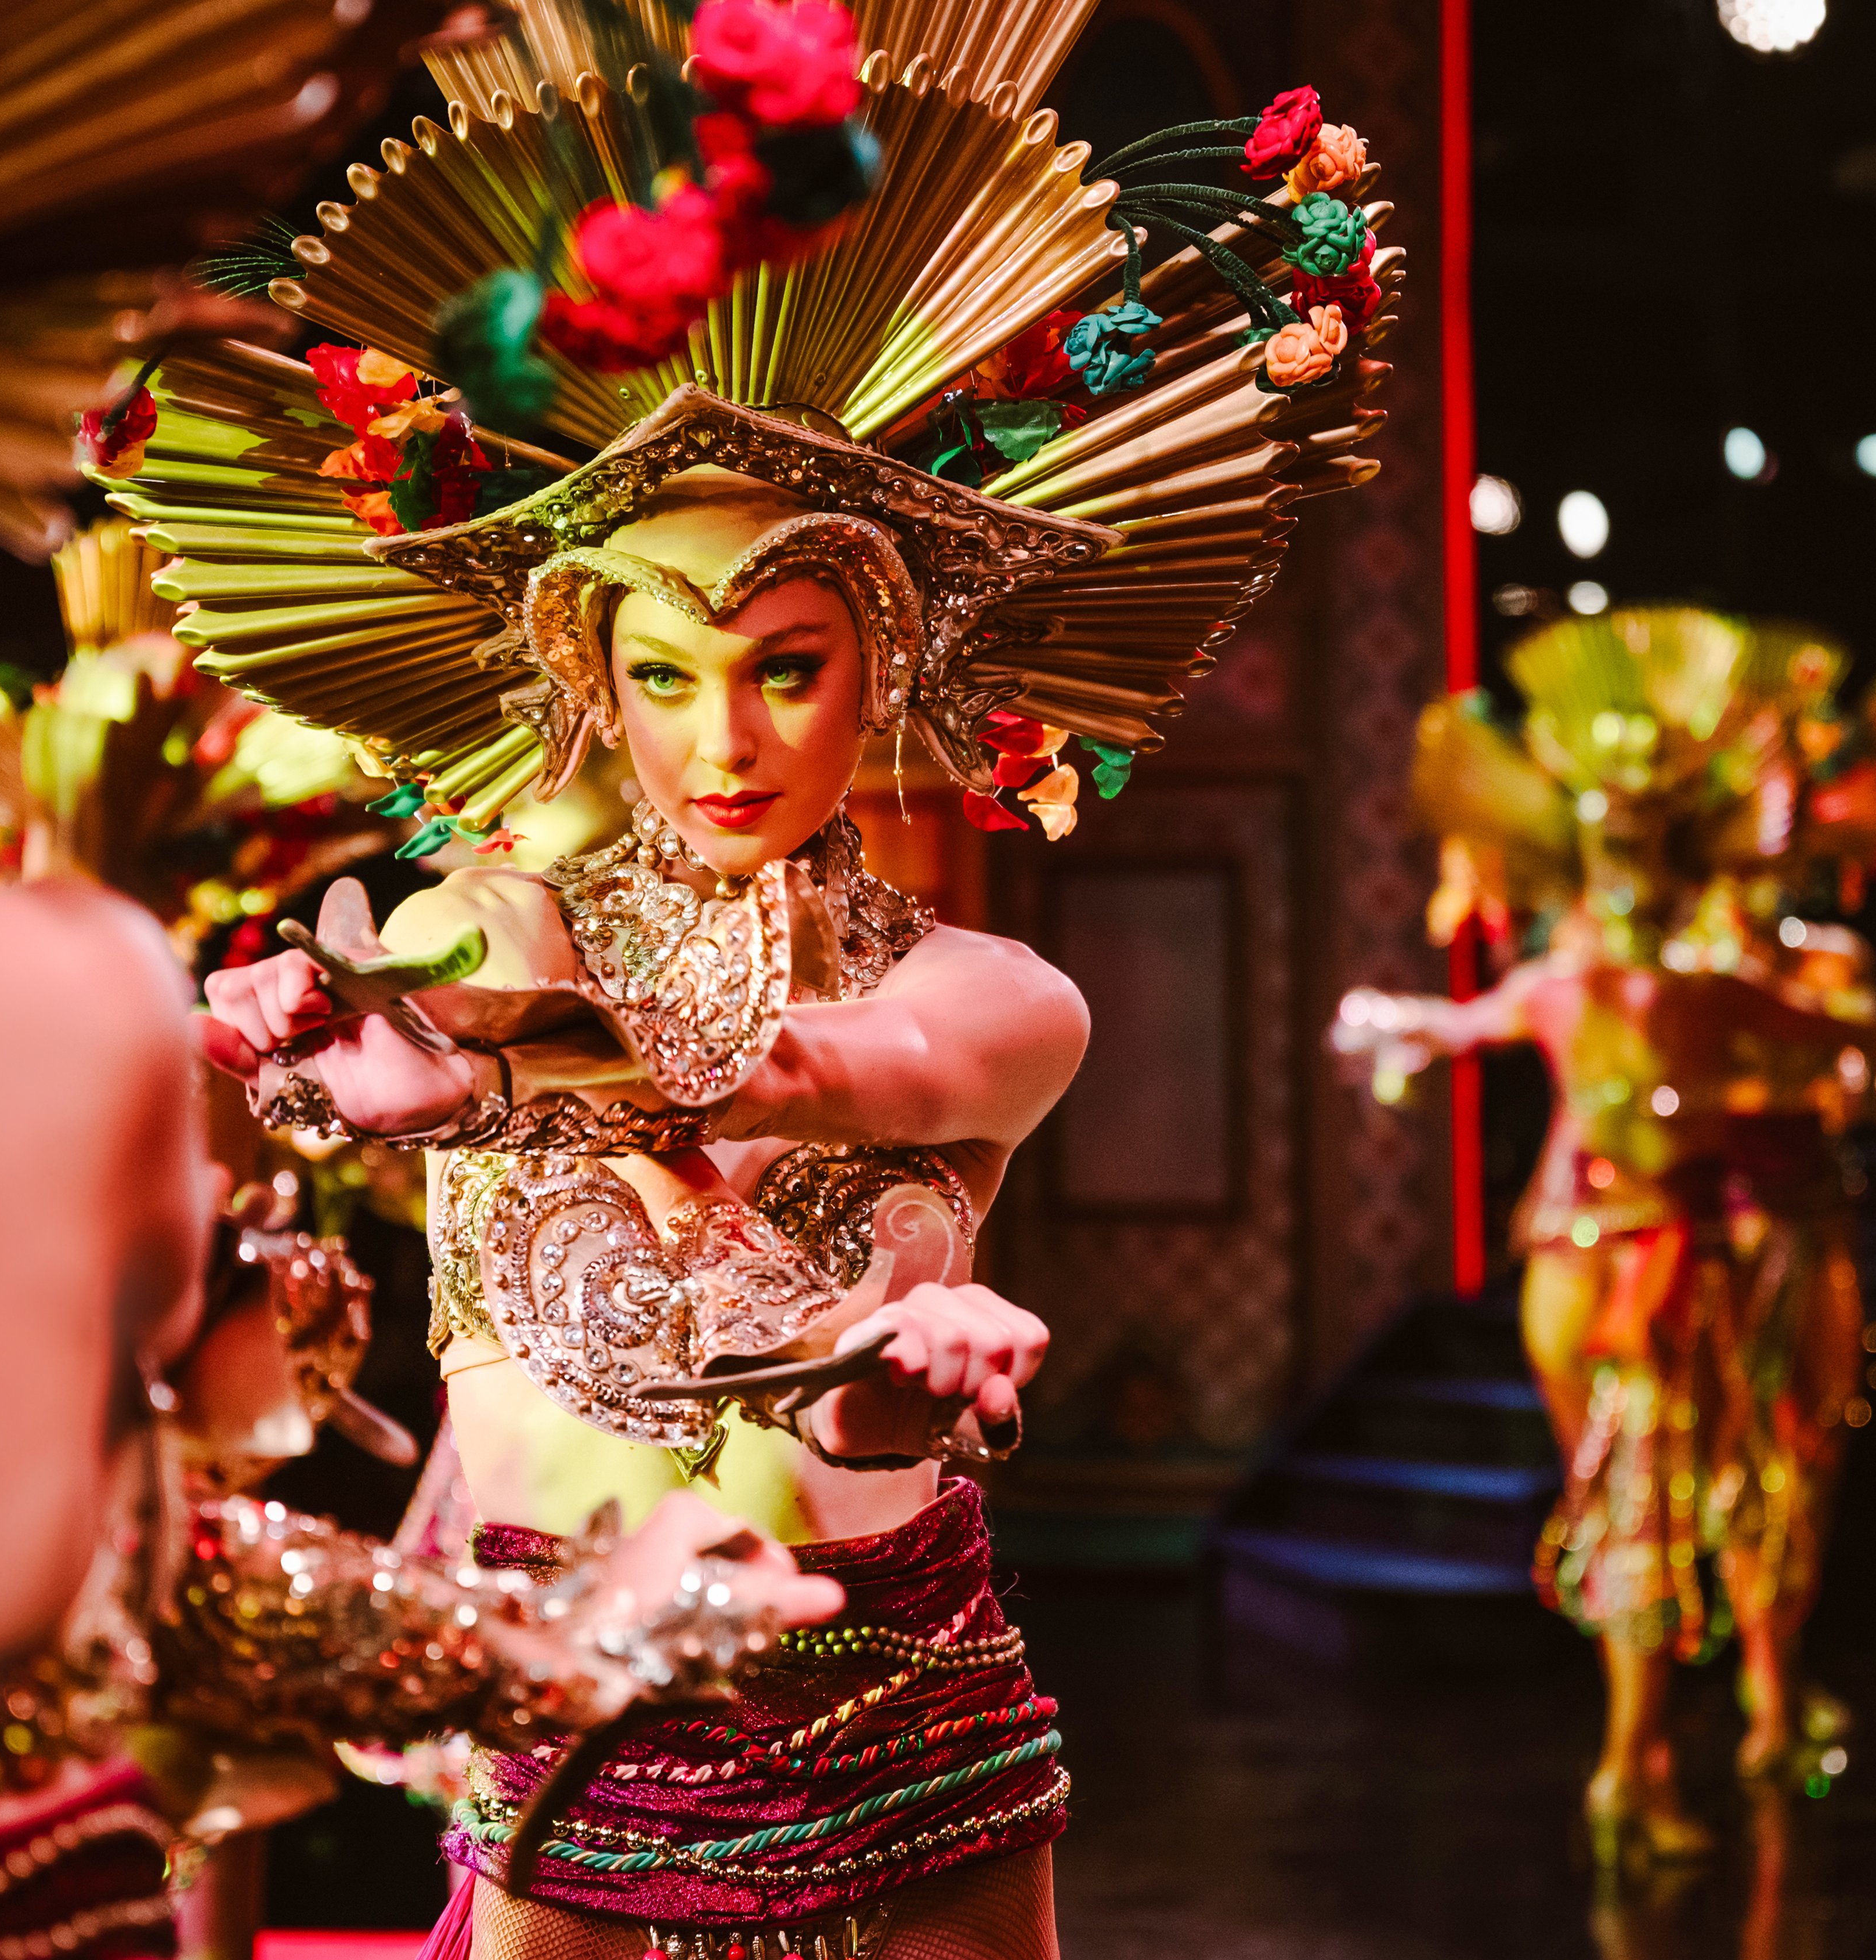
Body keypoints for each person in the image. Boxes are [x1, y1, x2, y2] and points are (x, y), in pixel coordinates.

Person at [0, 7, 847, 1954]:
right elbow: (123, 1575)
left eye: (781, 660)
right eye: (664, 662)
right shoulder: (28, 1007)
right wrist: (560, 1637)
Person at [143, 7, 1401, 1952]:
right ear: (589, 679)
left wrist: (492, 1080)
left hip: (907, 1722)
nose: (719, 735)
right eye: (662, 671)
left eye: (782, 664)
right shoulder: (488, 929)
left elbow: (818, 1067)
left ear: (876, 666)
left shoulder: (999, 997)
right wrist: (300, 1041)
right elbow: (428, 1001)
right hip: (567, 1716)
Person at [1330, 609, 1876, 1864]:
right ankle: (1634, 1763)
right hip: (1663, 1254)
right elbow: (1872, 1054)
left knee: (1670, 1496)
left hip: (1611, 1246)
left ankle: (1699, 1728)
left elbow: (1437, 1028)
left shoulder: (1595, 981)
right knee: (1654, 1507)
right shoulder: (1689, 988)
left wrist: (1392, 1031)